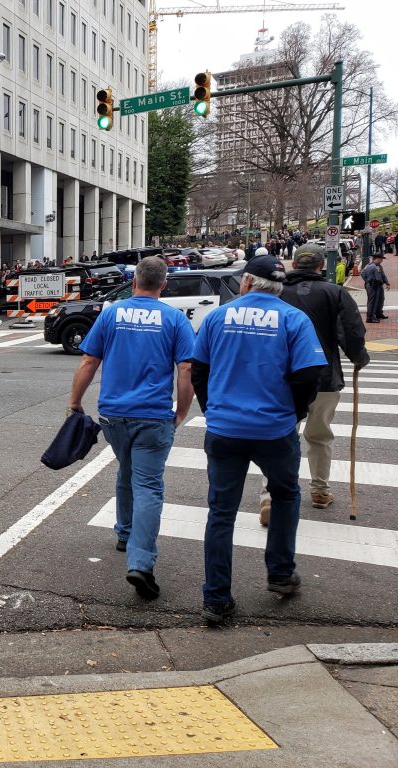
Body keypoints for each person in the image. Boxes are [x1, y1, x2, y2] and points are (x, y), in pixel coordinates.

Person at [190, 255, 327, 625]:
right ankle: (280, 572)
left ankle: (216, 597)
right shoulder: (294, 319)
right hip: (274, 429)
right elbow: (309, 374)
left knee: (221, 512)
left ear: (247, 282)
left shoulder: (217, 317)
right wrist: (294, 413)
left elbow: (198, 370)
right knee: (285, 495)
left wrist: (213, 408)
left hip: (225, 428)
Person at [68, 256, 195, 601]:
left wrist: (75, 402)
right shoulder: (174, 319)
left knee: (126, 470)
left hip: (114, 415)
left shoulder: (111, 313)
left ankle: (124, 533)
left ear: (135, 279)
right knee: (149, 485)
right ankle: (141, 562)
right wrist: (181, 411)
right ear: (163, 283)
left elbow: (89, 360)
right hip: (153, 416)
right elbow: (186, 370)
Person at [256, 245, 369, 524]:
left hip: (282, 379)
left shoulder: (277, 293)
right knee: (320, 435)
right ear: (321, 266)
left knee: (279, 435)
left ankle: (270, 495)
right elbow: (351, 332)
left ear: (294, 263)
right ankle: (320, 490)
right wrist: (359, 358)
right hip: (323, 378)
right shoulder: (335, 293)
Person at [362, 253, 389, 323]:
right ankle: (370, 317)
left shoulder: (378, 266)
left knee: (380, 299)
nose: (382, 260)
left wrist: (387, 283)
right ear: (377, 258)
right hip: (372, 285)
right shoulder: (370, 266)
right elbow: (362, 273)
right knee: (373, 301)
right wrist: (368, 281)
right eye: (381, 259)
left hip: (378, 285)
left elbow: (383, 275)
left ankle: (378, 313)